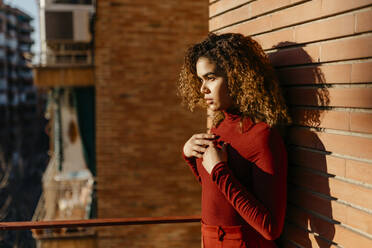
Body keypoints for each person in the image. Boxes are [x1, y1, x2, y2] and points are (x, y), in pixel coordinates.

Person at [177, 33, 292, 248]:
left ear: (236, 77)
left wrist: (220, 170)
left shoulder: (262, 136)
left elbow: (270, 228)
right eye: (201, 79)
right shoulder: (218, 127)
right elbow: (218, 191)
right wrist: (189, 155)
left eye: (210, 78)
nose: (203, 89)